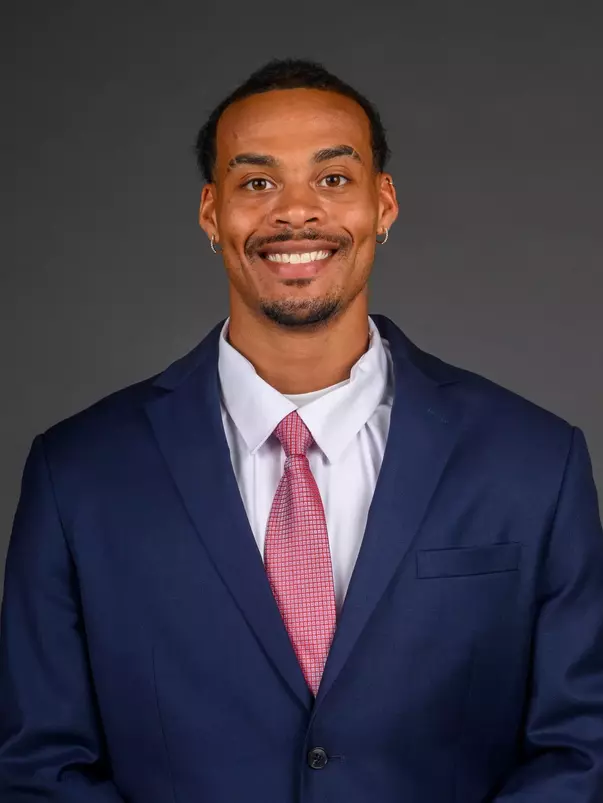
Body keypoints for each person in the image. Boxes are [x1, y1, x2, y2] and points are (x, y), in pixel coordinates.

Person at [1, 57, 602, 803]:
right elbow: (40, 765)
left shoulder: (534, 462)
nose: (294, 212)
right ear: (210, 211)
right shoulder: (78, 474)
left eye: (332, 179)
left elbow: (582, 748)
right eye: (256, 182)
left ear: (382, 203)